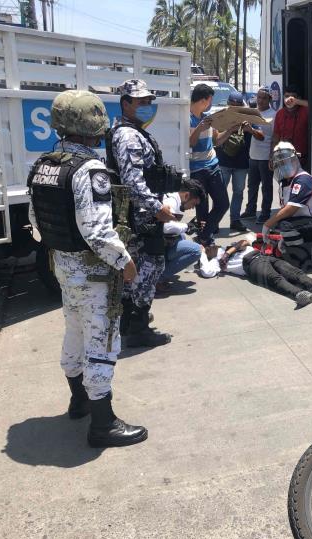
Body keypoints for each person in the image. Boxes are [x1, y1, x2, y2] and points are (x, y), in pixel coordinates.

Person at [27, 90, 147, 448]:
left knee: (74, 331)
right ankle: (103, 424)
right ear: (92, 126)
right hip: (92, 271)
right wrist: (124, 262)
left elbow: (35, 224)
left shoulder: (44, 164)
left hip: (62, 265)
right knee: (102, 339)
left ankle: (78, 401)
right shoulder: (89, 168)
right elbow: (96, 231)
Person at [108, 79, 176, 348]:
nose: (148, 106)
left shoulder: (133, 130)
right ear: (126, 104)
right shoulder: (127, 135)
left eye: (150, 102)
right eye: (141, 102)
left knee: (134, 271)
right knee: (149, 269)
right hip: (141, 218)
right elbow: (133, 182)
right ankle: (138, 329)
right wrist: (156, 208)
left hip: (137, 215)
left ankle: (128, 323)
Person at [199, 238, 312, 307]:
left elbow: (244, 242)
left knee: (295, 273)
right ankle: (299, 295)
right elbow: (206, 272)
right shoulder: (215, 262)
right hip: (252, 264)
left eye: (211, 245)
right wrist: (202, 254)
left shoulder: (229, 248)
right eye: (209, 247)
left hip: (264, 257)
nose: (212, 246)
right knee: (275, 279)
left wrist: (228, 253)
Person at [265, 142, 312, 264]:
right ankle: (303, 249)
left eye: (284, 161)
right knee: (280, 226)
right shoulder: (285, 182)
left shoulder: (303, 179)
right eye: (279, 162)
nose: (282, 165)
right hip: (308, 221)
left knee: (284, 226)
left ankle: (304, 255)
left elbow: (291, 209)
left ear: (295, 160)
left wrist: (267, 224)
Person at [189, 83, 239, 245]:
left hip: (213, 166)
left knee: (223, 203)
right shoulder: (186, 117)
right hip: (197, 170)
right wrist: (198, 128)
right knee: (202, 210)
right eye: (210, 100)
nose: (211, 103)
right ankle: (205, 240)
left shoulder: (208, 117)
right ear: (204, 100)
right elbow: (189, 143)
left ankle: (204, 234)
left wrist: (230, 130)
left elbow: (217, 141)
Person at [215, 91, 256, 234]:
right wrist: (230, 128)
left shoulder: (248, 117)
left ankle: (235, 220)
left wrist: (249, 129)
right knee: (220, 193)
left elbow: (259, 136)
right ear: (228, 104)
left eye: (237, 105)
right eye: (232, 104)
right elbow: (216, 140)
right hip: (223, 161)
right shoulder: (220, 117)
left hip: (242, 163)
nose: (234, 107)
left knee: (238, 192)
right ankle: (215, 221)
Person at [159, 178, 206, 288]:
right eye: (194, 203)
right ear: (186, 196)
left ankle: (161, 269)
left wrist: (188, 226)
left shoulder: (173, 198)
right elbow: (165, 226)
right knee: (196, 250)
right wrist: (186, 227)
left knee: (182, 236)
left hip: (160, 242)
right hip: (155, 243)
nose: (193, 207)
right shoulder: (170, 201)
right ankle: (158, 278)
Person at [242, 86, 276, 223]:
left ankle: (265, 213)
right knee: (252, 186)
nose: (260, 100)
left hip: (265, 157)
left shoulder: (274, 115)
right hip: (253, 156)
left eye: (264, 98)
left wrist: (272, 156)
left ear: (269, 100)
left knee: (266, 187)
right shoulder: (252, 112)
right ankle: (250, 210)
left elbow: (273, 137)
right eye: (259, 97)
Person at [272, 85, 309, 169]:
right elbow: (275, 137)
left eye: (292, 97)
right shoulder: (280, 113)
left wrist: (297, 102)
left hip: (301, 160)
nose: (289, 99)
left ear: (298, 98)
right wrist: (272, 156)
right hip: (284, 159)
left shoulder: (305, 111)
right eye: (286, 96)